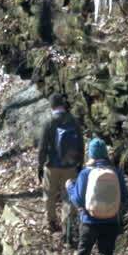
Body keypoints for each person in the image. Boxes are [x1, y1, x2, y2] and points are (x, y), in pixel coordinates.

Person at [65, 138, 128, 255]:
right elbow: (124, 197)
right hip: (110, 221)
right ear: (106, 155)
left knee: (84, 248)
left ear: (91, 154)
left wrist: (69, 186)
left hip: (89, 221)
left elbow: (78, 199)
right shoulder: (116, 172)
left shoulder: (86, 173)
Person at [36, 93, 83, 235]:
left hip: (51, 166)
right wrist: (79, 163)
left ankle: (51, 223)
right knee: (68, 197)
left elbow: (42, 148)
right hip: (70, 166)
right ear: (63, 104)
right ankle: (67, 228)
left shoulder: (48, 122)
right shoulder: (74, 121)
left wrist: (40, 166)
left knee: (49, 195)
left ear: (51, 106)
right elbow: (81, 144)